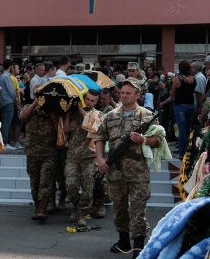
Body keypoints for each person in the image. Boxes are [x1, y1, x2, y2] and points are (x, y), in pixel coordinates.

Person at [95, 78, 161, 259]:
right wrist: (100, 159)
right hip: (115, 171)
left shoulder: (147, 115)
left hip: (138, 172)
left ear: (137, 95)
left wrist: (144, 140)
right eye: (121, 93)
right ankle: (123, 240)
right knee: (119, 208)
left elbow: (159, 141)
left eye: (128, 93)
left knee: (138, 209)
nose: (123, 96)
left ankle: (138, 246)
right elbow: (99, 137)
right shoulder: (111, 116)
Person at [18, 85, 57, 221]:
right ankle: (37, 206)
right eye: (36, 94)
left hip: (49, 152)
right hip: (32, 151)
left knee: (45, 181)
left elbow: (60, 128)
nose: (39, 96)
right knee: (34, 182)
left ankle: (42, 208)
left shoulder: (52, 108)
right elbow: (23, 115)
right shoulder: (29, 107)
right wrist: (35, 102)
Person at [64, 89, 102, 226]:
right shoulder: (74, 114)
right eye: (88, 99)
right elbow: (66, 131)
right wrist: (68, 114)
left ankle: (81, 213)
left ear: (96, 102)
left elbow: (93, 127)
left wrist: (80, 109)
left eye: (93, 100)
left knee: (87, 187)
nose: (89, 102)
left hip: (89, 156)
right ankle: (76, 206)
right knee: (71, 184)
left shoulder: (98, 114)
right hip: (73, 154)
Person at [171, 60, 196, 159]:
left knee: (181, 130)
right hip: (191, 106)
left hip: (180, 106)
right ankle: (188, 151)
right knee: (188, 129)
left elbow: (172, 95)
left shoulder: (178, 79)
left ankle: (181, 153)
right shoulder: (193, 79)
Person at [0, 60, 17, 150]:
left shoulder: (2, 76)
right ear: (10, 66)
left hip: (4, 101)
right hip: (8, 101)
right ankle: (5, 142)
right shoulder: (6, 76)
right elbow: (11, 91)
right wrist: (15, 100)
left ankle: (4, 142)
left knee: (5, 122)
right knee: (7, 122)